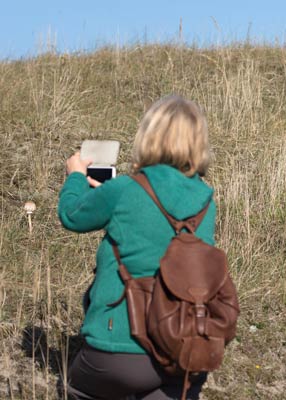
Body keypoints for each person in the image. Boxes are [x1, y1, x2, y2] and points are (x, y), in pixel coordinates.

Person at [59, 95, 215, 399]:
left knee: (76, 390)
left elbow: (71, 215)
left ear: (148, 136)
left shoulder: (124, 189)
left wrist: (76, 177)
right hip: (184, 351)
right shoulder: (207, 201)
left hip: (119, 348)